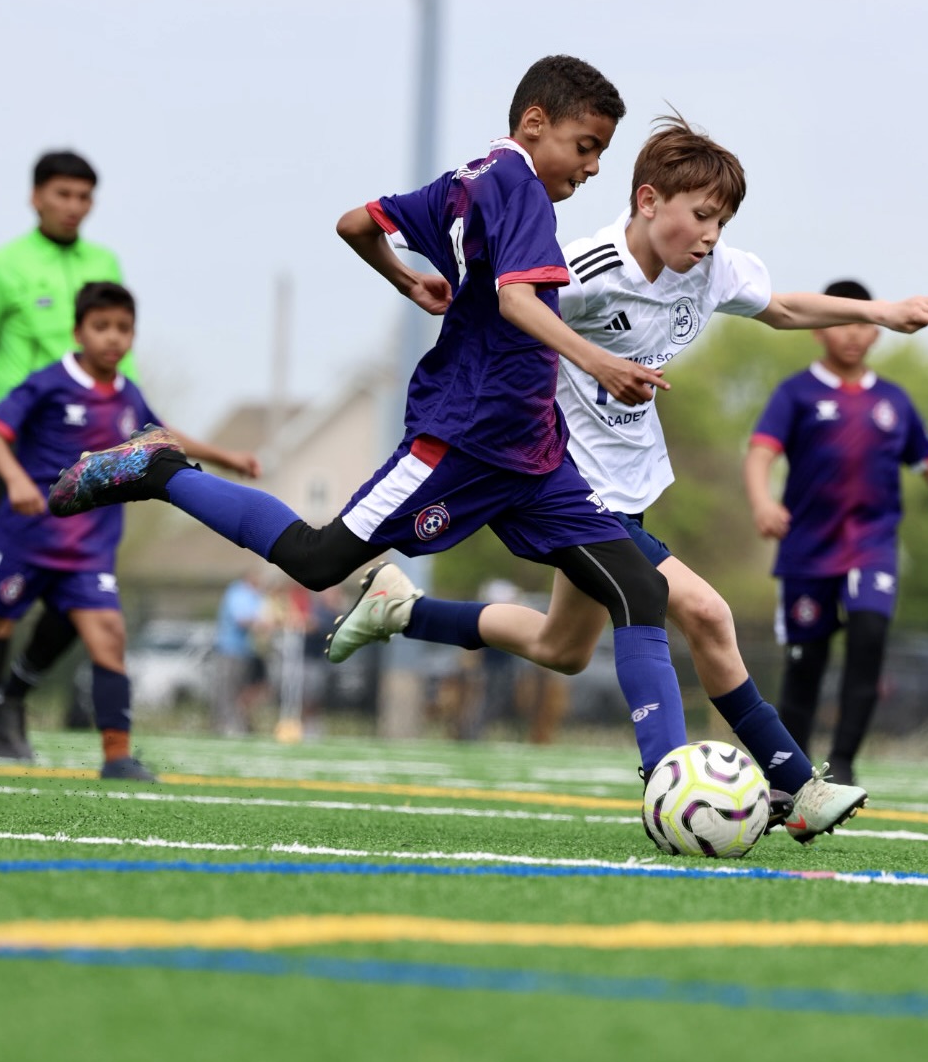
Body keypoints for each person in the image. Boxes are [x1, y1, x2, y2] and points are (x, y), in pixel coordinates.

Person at [49, 56, 711, 801]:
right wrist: (602, 363)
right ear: (535, 124)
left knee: (636, 591)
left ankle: (667, 784)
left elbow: (356, 224)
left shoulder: (468, 178)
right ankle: (160, 470)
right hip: (460, 438)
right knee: (316, 559)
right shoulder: (520, 185)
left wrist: (406, 278)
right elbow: (522, 302)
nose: (593, 168)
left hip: (533, 452)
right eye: (587, 146)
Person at [324, 119, 928, 842]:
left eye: (722, 221)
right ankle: (791, 785)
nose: (712, 235)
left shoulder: (711, 270)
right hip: (562, 482)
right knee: (707, 612)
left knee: (562, 649)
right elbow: (508, 315)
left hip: (627, 487)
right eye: (701, 216)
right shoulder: (583, 268)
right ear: (649, 201)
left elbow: (780, 308)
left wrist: (880, 310)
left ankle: (399, 609)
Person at [0, 283, 261, 779]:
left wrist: (226, 456)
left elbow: (162, 436)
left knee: (108, 633)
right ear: (78, 331)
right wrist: (17, 479)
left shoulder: (128, 396)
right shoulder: (48, 383)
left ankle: (116, 756)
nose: (113, 338)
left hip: (87, 549)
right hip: (25, 538)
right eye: (101, 327)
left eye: (123, 329)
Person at [744, 279, 928, 786]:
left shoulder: (894, 403)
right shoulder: (795, 393)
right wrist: (762, 500)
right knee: (805, 663)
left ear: (878, 330)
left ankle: (842, 766)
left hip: (872, 546)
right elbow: (760, 451)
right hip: (807, 552)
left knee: (869, 639)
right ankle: (792, 778)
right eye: (843, 320)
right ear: (819, 329)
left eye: (864, 322)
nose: (853, 333)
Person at [0, 150, 135, 757]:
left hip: (86, 458)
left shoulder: (103, 264)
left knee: (82, 588)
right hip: (14, 453)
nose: (73, 206)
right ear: (36, 197)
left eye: (84, 197)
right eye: (62, 194)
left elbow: (115, 362)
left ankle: (17, 697)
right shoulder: (3, 266)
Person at [212, 572, 271, 735]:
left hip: (246, 651)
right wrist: (261, 623)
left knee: (243, 691)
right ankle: (225, 725)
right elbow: (242, 619)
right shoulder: (238, 593)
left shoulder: (255, 595)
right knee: (227, 691)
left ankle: (239, 724)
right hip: (230, 649)